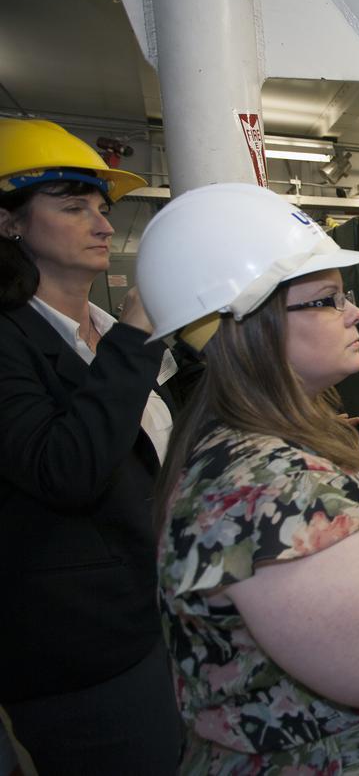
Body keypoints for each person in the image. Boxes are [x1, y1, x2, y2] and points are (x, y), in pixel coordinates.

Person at [137, 183, 359, 774]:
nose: (355, 310)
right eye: (328, 299)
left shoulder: (293, 438)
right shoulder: (268, 481)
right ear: (248, 325)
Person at [0, 118, 184, 774]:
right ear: (9, 223)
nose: (103, 224)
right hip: (82, 657)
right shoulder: (13, 340)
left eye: (103, 209)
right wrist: (137, 333)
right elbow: (67, 468)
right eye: (74, 207)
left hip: (155, 620)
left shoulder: (106, 334)